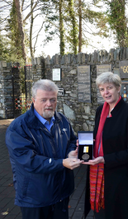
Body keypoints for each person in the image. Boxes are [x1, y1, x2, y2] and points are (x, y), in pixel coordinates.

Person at [6, 79, 82, 219]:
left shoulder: (62, 120)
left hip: (61, 194)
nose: (49, 104)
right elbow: (29, 161)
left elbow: (72, 139)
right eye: (44, 100)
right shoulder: (19, 127)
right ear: (33, 100)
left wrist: (71, 151)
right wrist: (62, 163)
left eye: (53, 100)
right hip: (35, 198)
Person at [83, 72, 128, 219]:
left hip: (120, 178)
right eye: (102, 89)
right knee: (101, 214)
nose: (106, 92)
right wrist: (85, 144)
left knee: (117, 214)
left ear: (118, 88)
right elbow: (101, 137)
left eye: (109, 88)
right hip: (99, 172)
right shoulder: (100, 111)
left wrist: (105, 159)